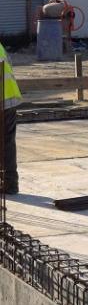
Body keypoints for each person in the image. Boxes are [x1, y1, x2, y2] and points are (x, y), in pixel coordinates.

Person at [0, 42, 21, 195]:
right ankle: (10, 183)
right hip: (10, 98)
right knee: (7, 143)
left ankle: (8, 182)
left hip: (2, 100)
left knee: (5, 143)